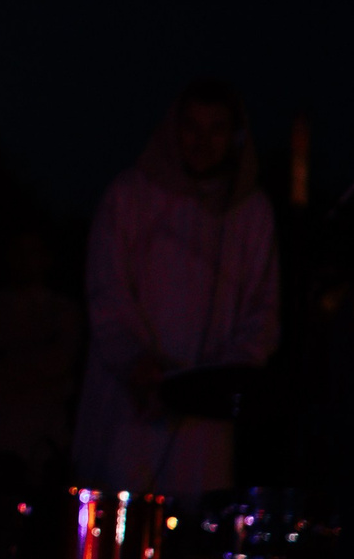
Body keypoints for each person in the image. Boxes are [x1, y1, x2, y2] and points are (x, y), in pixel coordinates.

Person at [73, 80, 279, 500]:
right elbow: (106, 290)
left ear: (235, 136)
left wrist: (220, 379)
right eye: (192, 128)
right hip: (129, 404)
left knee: (194, 522)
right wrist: (136, 361)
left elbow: (263, 310)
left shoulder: (250, 212)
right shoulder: (129, 195)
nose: (202, 142)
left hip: (204, 423)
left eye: (216, 129)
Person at [0, 228, 82, 477]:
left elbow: (61, 363)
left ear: (46, 258)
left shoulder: (64, 312)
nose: (24, 261)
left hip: (42, 434)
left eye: (32, 252)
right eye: (18, 252)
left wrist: (10, 365)